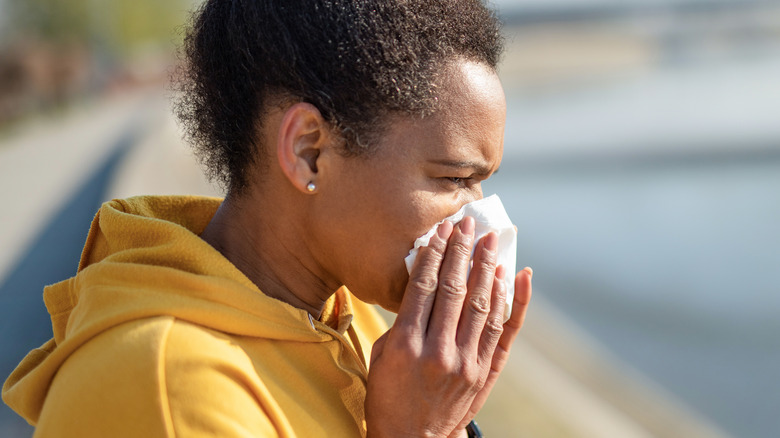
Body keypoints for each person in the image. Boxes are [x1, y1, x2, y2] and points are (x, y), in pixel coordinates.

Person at [2, 0, 533, 436]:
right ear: (309, 152)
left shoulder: (352, 318)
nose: (479, 219)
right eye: (454, 179)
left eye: (482, 183)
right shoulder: (167, 386)